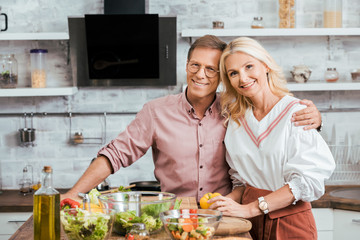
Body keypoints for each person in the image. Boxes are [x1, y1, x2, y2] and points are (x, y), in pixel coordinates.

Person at [61, 35, 322, 203]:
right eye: (195, 65)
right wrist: (74, 193)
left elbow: (272, 115)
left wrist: (315, 118)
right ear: (186, 66)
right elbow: (116, 153)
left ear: (221, 76)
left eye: (211, 69)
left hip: (224, 215)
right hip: (173, 215)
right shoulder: (156, 111)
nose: (201, 74)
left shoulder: (235, 110)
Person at [208, 37, 335, 239]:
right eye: (234, 73)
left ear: (265, 65)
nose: (243, 78)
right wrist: (224, 204)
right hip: (248, 224)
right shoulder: (236, 120)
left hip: (289, 223)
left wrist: (249, 209)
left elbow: (308, 181)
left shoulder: (296, 113)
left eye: (249, 66)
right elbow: (242, 181)